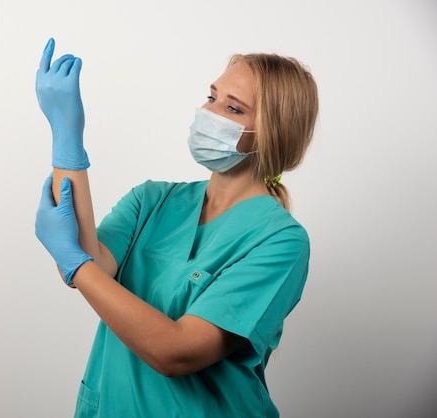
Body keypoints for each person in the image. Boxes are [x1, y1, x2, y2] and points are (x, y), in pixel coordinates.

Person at [34, 37, 319, 418]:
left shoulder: (281, 241)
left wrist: (74, 261)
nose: (209, 112)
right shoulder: (152, 200)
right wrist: (65, 138)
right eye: (211, 96)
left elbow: (176, 352)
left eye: (233, 108)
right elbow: (89, 265)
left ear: (273, 134)